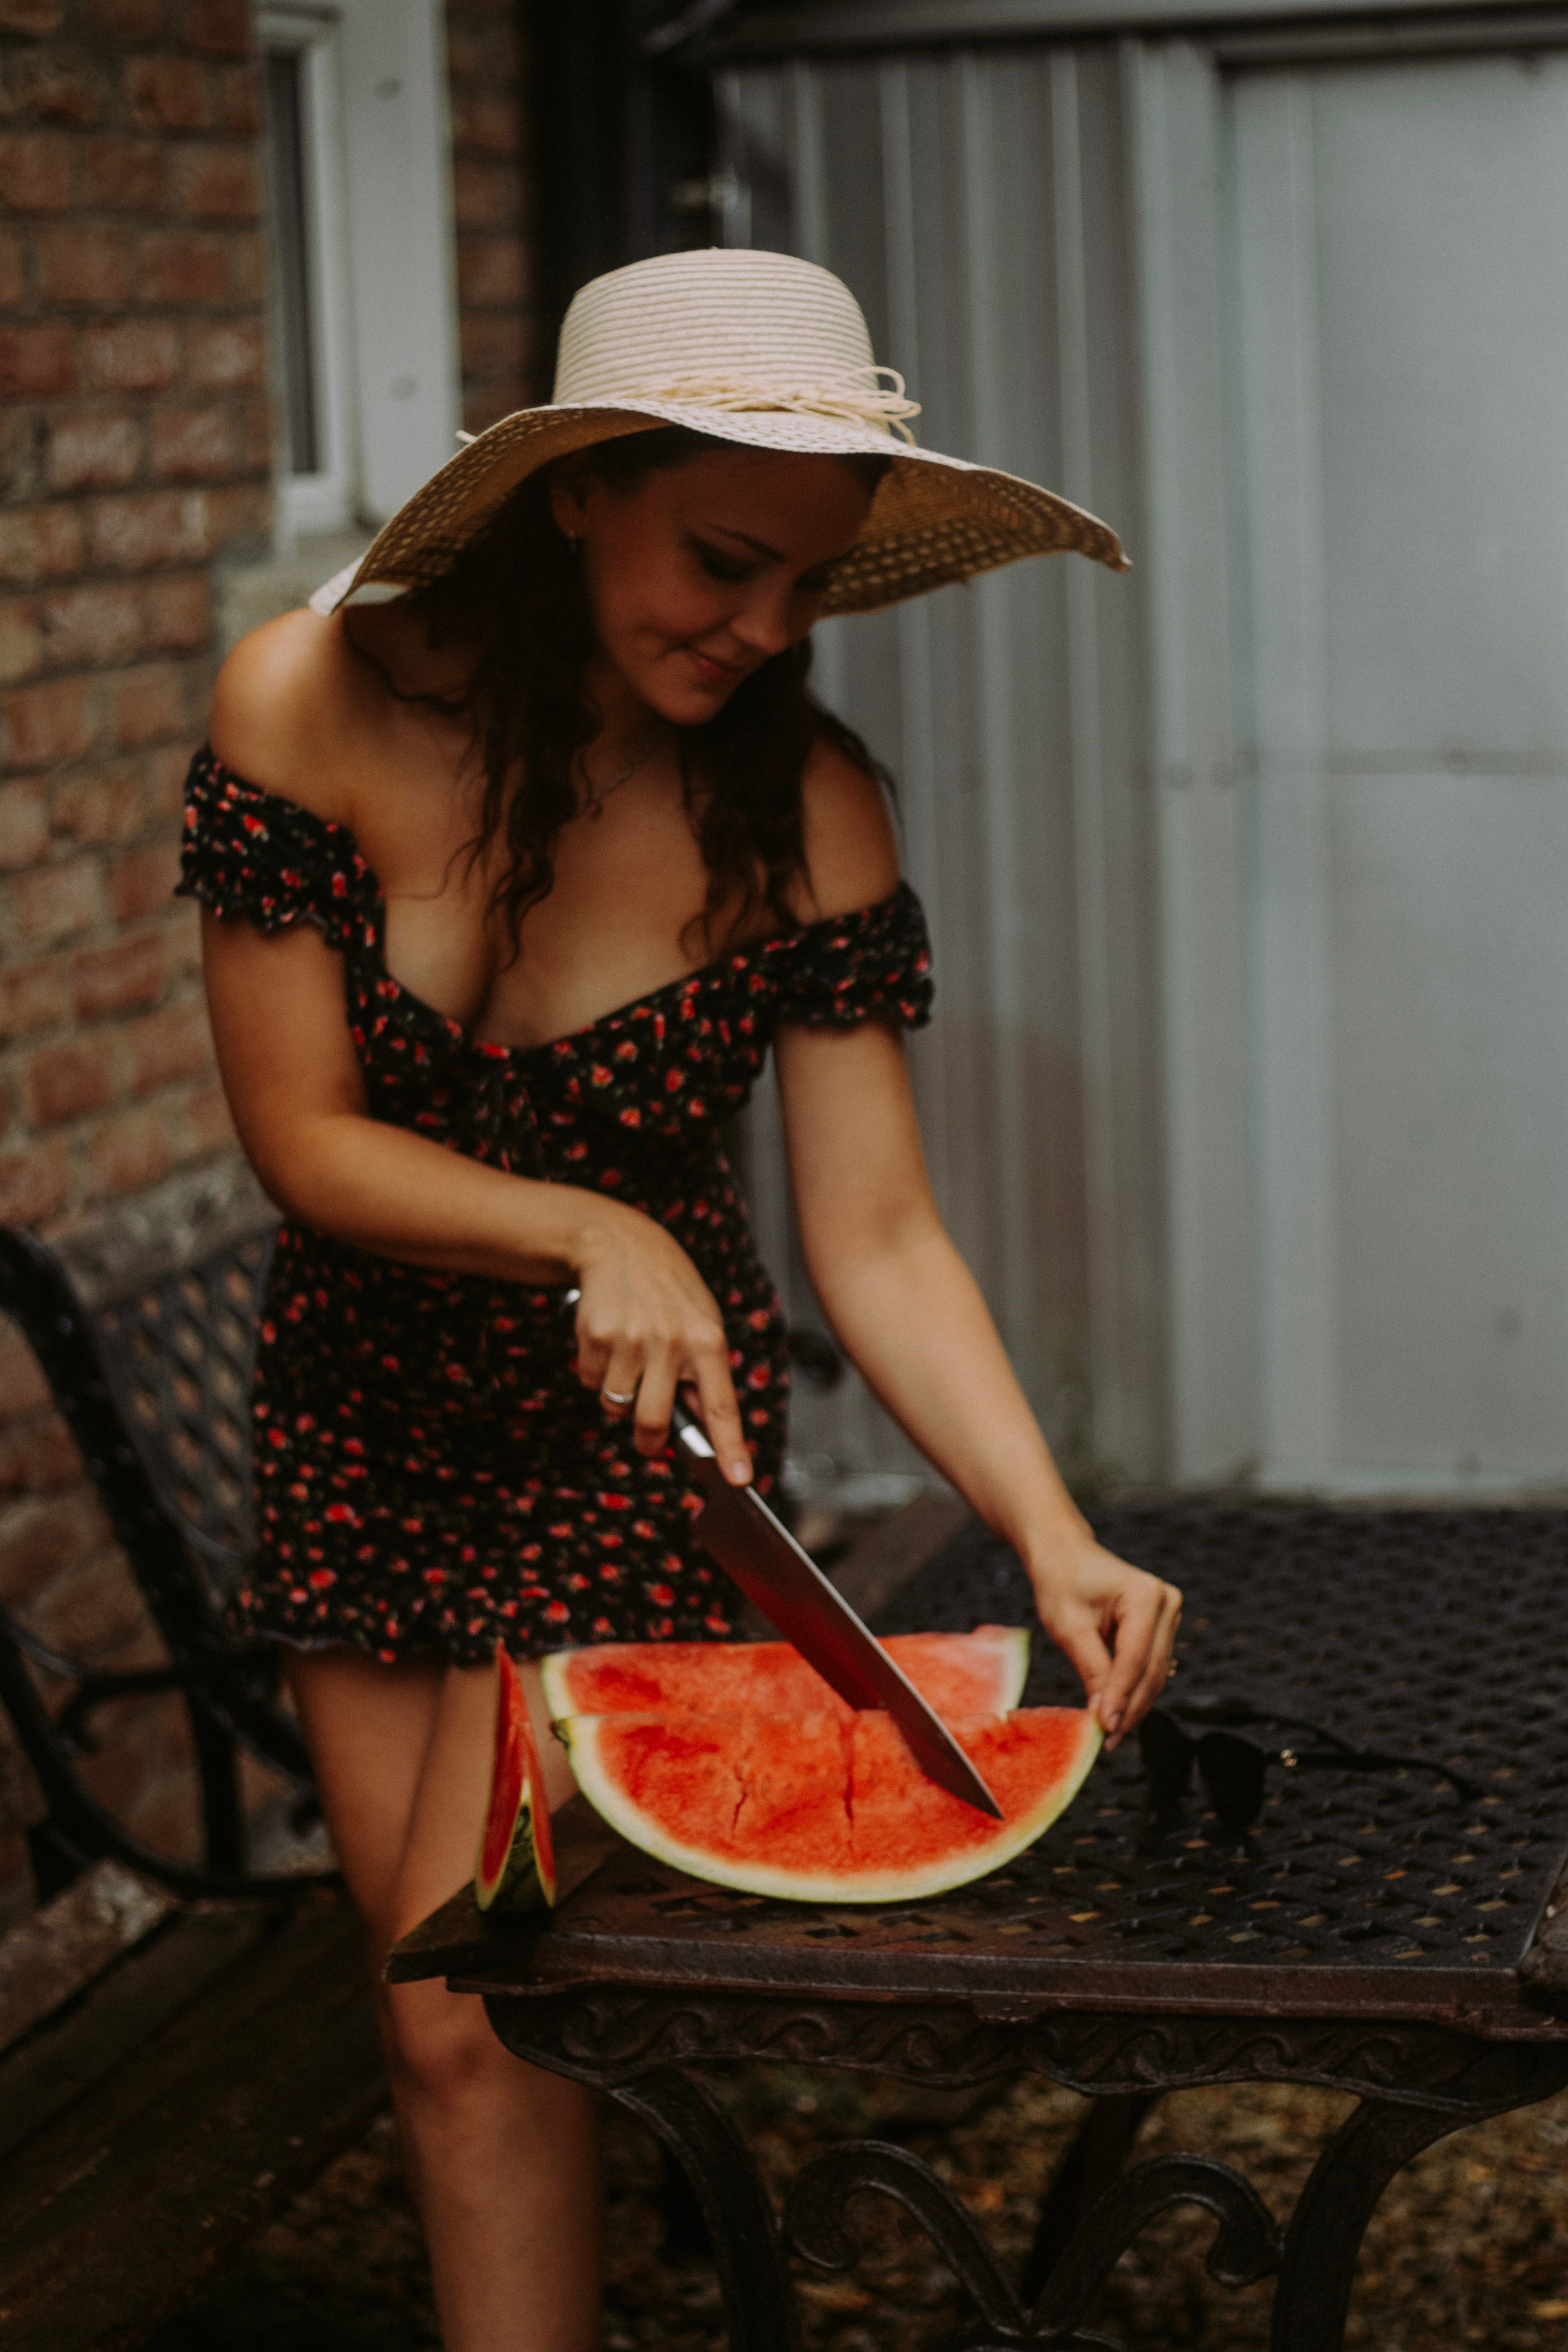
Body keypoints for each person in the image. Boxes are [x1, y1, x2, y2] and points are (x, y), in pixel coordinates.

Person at [184, 247, 1182, 2351]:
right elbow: (304, 1138)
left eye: (804, 588)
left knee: (490, 2024)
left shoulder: (798, 815)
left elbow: (881, 1236)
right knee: (440, 2022)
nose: (761, 633)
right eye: (722, 562)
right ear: (572, 493)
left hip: (643, 1446)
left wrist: (1051, 1527)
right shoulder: (307, 699)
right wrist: (590, 1225)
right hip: (360, 1419)